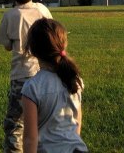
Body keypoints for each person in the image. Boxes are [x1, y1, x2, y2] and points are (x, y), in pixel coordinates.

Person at [0, 0, 53, 153]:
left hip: (21, 77)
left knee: (15, 125)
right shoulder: (42, 10)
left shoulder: (10, 15)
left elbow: (6, 46)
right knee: (43, 123)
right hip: (45, 74)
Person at [21, 18, 89, 153]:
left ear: (32, 50)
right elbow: (77, 124)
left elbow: (30, 138)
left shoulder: (32, 87)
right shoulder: (75, 80)